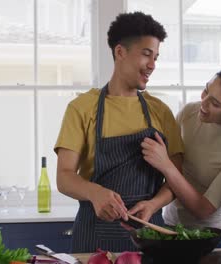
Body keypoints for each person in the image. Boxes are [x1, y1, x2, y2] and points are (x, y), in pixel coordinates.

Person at [54, 12, 184, 253]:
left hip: (150, 234)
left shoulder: (160, 112)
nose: (153, 65)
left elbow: (176, 177)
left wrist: (154, 204)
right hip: (93, 235)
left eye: (156, 57)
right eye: (146, 54)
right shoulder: (82, 108)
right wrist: (95, 193)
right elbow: (64, 176)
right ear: (120, 52)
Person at [134, 65, 221, 247]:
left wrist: (165, 165)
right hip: (171, 227)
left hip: (214, 236)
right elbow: (175, 176)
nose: (203, 102)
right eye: (206, 90)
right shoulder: (189, 114)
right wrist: (153, 205)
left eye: (216, 103)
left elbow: (203, 209)